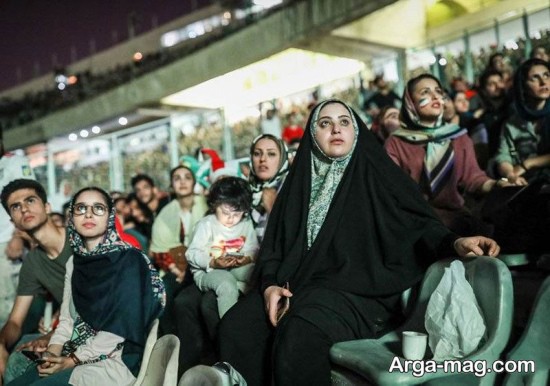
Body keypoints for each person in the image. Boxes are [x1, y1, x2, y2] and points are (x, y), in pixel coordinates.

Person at [218, 99, 500, 386]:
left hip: (357, 292)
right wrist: (269, 286)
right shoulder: (298, 186)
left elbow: (418, 224)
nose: (336, 129)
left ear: (356, 130)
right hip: (297, 286)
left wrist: (455, 242)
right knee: (237, 327)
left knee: (300, 334)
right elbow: (275, 248)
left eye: (344, 122)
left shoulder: (376, 174)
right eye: (325, 123)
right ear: (312, 135)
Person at [6, 187, 165, 386]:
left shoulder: (129, 260)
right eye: (81, 208)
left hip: (115, 360)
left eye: (98, 208)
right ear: (71, 217)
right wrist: (51, 355)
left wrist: (72, 360)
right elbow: (67, 320)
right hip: (75, 353)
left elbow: (119, 329)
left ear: (110, 216)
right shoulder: (74, 262)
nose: (89, 214)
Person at [385, 74, 510, 237]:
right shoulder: (396, 142)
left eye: (438, 91)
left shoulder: (459, 137)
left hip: (457, 222)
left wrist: (498, 184)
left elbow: (473, 178)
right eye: (425, 92)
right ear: (410, 102)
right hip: (416, 225)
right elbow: (392, 190)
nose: (435, 96)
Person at [0, 179, 70, 386]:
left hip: (104, 340)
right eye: (16, 206)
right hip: (66, 336)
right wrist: (1, 343)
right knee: (16, 362)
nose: (24, 208)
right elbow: (15, 322)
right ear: (13, 222)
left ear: (47, 207)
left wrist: (52, 335)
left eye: (30, 200)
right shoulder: (32, 262)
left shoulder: (81, 239)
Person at [187, 176, 258, 318]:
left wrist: (246, 259)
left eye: (237, 214)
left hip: (235, 267)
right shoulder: (206, 224)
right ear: (214, 206)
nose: (231, 218)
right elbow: (192, 253)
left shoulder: (245, 223)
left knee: (257, 273)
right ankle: (229, 330)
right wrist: (213, 262)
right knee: (226, 286)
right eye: (225, 213)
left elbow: (253, 248)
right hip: (208, 271)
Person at [150, 165, 208, 335]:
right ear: (171, 186)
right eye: (177, 178)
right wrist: (178, 271)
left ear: (194, 182)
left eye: (187, 177)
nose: (182, 182)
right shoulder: (165, 213)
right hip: (176, 267)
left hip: (205, 263)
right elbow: (160, 251)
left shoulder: (206, 205)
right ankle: (171, 340)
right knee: (162, 292)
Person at [494, 58, 550, 185]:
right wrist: (510, 175)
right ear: (523, 86)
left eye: (547, 75)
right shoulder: (512, 123)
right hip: (528, 184)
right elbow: (503, 156)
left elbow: (526, 165)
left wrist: (529, 163)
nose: (543, 82)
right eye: (535, 78)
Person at [248, 134, 289, 242]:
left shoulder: (292, 190)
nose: (262, 159)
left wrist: (273, 209)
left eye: (271, 154)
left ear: (282, 159)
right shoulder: (244, 191)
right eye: (257, 153)